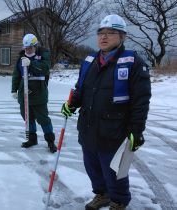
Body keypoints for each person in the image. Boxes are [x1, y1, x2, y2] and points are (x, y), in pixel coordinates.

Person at [61, 14, 151, 210]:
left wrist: (137, 131)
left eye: (111, 33)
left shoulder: (134, 63)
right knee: (92, 167)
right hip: (88, 126)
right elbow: (81, 89)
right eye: (101, 33)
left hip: (115, 130)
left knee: (114, 171)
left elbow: (141, 101)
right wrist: (72, 103)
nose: (104, 37)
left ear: (122, 37)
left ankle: (118, 201)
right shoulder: (90, 60)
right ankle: (101, 195)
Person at [11, 33, 57, 153]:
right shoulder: (20, 58)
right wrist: (14, 90)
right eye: (26, 48)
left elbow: (45, 69)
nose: (28, 50)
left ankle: (50, 141)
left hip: (39, 93)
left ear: (35, 46)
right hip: (24, 93)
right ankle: (32, 139)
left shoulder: (42, 55)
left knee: (43, 118)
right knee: (27, 117)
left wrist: (31, 64)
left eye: (30, 47)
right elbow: (16, 75)